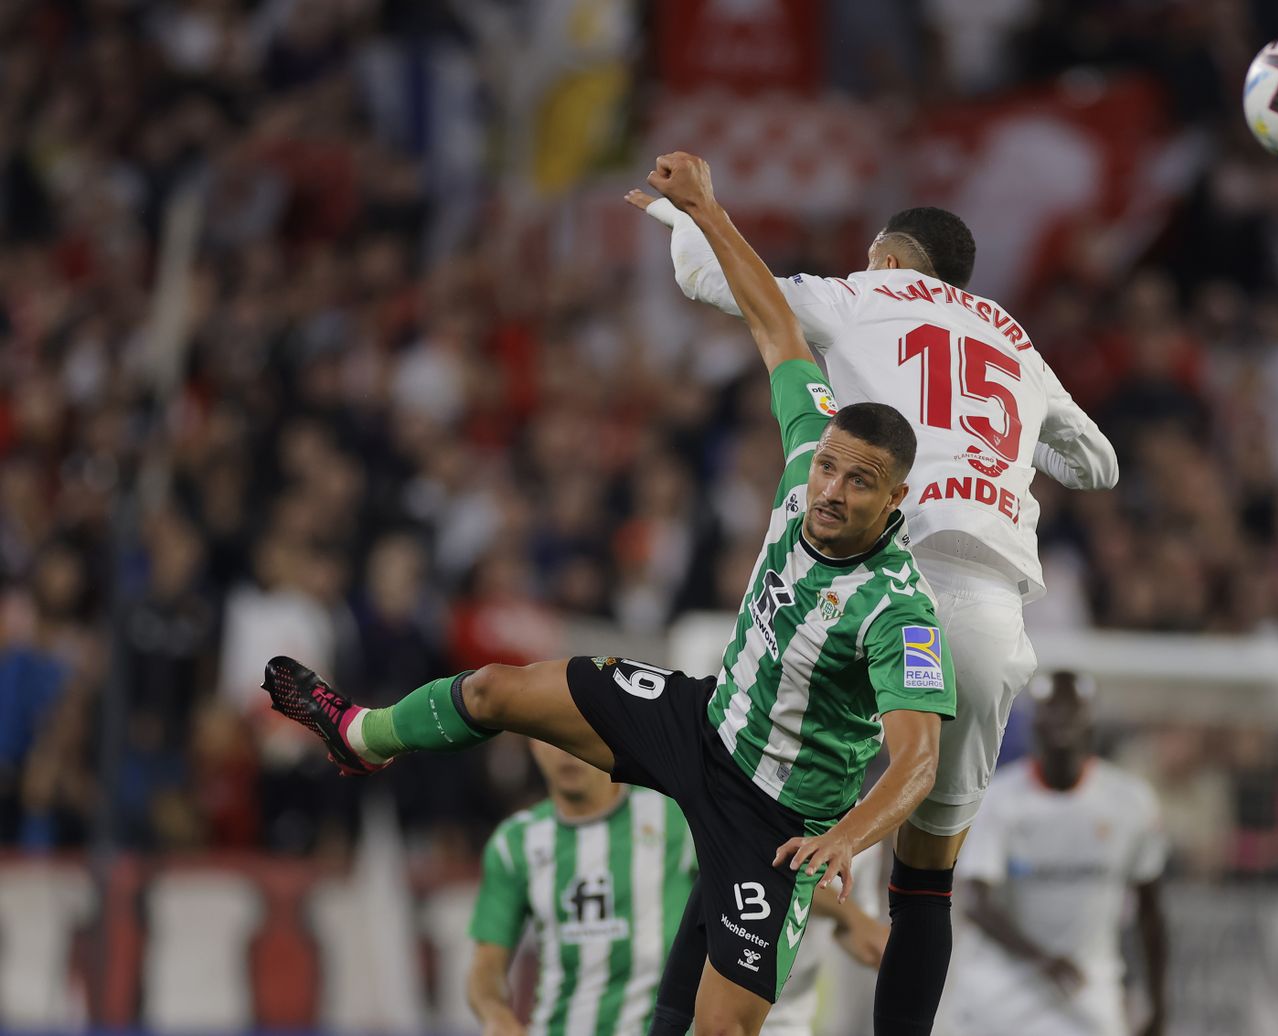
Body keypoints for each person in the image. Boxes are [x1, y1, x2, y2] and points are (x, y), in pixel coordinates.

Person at [264, 150, 954, 1036]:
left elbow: (918, 761)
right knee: (496, 691)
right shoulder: (804, 451)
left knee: (721, 1029)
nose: (830, 491)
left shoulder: (900, 610)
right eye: (828, 468)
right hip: (703, 723)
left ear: (895, 499)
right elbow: (776, 325)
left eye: (858, 483)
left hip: (777, 818)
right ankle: (362, 736)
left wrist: (845, 838)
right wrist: (707, 210)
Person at [631, 172, 1118, 1034]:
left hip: (875, 587)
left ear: (890, 259)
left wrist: (682, 218)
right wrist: (1009, 451)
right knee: (925, 883)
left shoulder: (867, 295)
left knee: (747, 807)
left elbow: (716, 280)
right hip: (986, 620)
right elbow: (1098, 464)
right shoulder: (1014, 340)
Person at [467, 741, 886, 1036]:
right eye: (549, 738)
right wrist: (495, 1014)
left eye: (571, 738)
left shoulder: (673, 815)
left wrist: (851, 917)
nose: (565, 752)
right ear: (530, 743)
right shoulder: (514, 842)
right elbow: (486, 966)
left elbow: (757, 876)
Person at [941, 673, 1168, 1036]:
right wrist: (1042, 960)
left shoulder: (1131, 802)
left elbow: (1151, 912)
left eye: (1072, 712)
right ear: (1035, 721)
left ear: (1091, 720)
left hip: (1087, 991)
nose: (1063, 723)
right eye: (1052, 711)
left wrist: (1158, 1001)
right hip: (999, 992)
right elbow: (975, 902)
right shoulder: (999, 800)